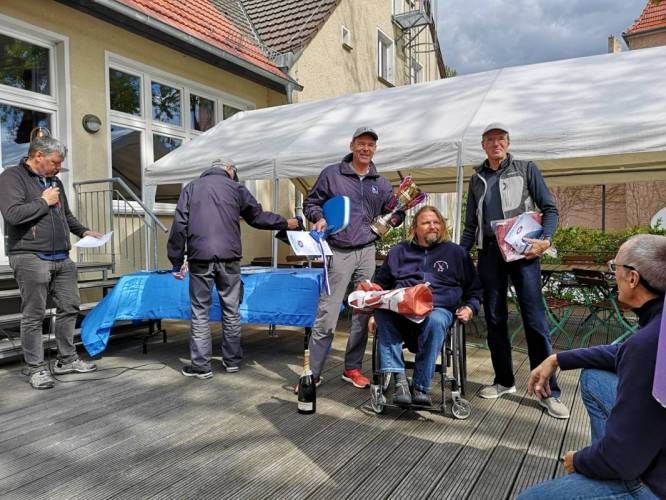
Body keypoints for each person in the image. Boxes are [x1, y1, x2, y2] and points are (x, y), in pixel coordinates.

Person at [518, 234, 666, 499]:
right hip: (648, 446)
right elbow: (622, 352)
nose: (612, 274)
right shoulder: (657, 327)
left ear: (633, 278)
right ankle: (603, 472)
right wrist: (557, 359)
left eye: (614, 267)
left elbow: (624, 460)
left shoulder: (647, 345)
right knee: (594, 377)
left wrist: (579, 460)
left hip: (655, 482)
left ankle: (611, 478)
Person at [460, 122, 569, 419]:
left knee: (535, 321)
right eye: (490, 139)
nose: (496, 143)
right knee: (494, 319)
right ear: (483, 145)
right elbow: (470, 224)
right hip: (489, 254)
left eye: (501, 139)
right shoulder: (476, 178)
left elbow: (550, 209)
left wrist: (546, 240)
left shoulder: (526, 168)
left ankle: (549, 391)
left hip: (524, 252)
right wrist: (458, 253)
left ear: (508, 143)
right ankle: (504, 381)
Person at [167, 159, 300, 379]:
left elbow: (179, 224)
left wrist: (176, 259)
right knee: (231, 310)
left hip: (200, 258)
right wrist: (285, 223)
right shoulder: (236, 188)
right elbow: (257, 217)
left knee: (200, 312)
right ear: (229, 169)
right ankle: (232, 361)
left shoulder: (191, 188)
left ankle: (201, 366)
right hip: (230, 257)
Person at [301, 126, 404, 390]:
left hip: (367, 251)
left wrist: (392, 219)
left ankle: (352, 368)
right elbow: (310, 203)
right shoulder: (332, 174)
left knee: (363, 311)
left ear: (375, 149)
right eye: (361, 143)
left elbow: (396, 211)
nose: (365, 148)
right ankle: (312, 373)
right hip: (337, 250)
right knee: (327, 312)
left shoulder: (381, 183)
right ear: (352, 146)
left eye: (370, 144)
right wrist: (319, 218)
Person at [0, 136, 102, 390]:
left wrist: (83, 231)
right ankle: (35, 368)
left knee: (70, 306)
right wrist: (43, 201)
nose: (59, 167)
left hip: (61, 256)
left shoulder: (55, 181)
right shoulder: (12, 177)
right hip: (30, 255)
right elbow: (12, 215)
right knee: (34, 315)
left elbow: (65, 215)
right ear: (38, 156)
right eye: (55, 162)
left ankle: (66, 360)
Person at [370, 206, 482, 405]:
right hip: (402, 310)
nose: (433, 226)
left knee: (436, 320)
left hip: (437, 309)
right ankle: (400, 381)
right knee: (381, 313)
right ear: (415, 228)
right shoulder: (398, 252)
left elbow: (475, 289)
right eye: (426, 223)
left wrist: (470, 308)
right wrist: (372, 311)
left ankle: (421, 387)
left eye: (436, 222)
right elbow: (381, 285)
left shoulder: (457, 253)